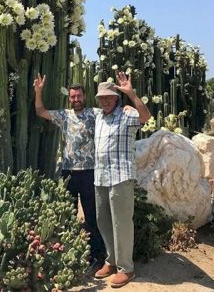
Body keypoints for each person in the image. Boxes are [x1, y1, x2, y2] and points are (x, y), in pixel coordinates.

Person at [33, 75, 106, 267]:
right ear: (69, 98)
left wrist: (127, 103)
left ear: (84, 96)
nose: (76, 99)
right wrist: (38, 91)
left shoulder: (95, 113)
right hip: (68, 172)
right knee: (69, 213)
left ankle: (95, 254)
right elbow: (40, 111)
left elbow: (111, 110)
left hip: (90, 172)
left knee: (91, 216)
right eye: (73, 97)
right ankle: (69, 251)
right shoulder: (64, 115)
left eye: (79, 96)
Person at [91, 72, 151, 288]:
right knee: (104, 221)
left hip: (120, 177)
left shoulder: (127, 114)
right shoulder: (98, 117)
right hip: (100, 177)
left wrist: (132, 94)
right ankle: (112, 261)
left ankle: (127, 268)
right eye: (101, 97)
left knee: (122, 223)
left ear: (116, 98)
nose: (105, 100)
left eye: (109, 96)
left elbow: (146, 117)